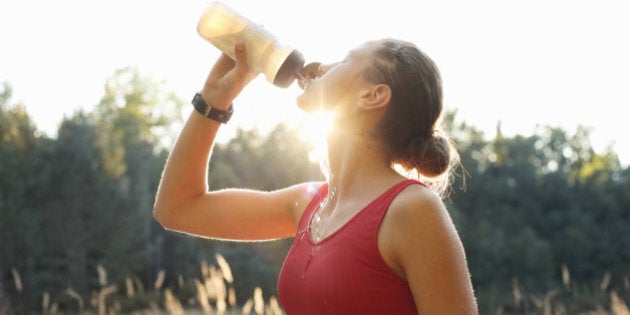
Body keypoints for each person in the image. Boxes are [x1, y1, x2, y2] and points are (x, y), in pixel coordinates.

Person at [154, 38, 478, 314]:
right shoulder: (309, 204)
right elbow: (177, 209)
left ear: (372, 96)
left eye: (346, 60)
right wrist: (213, 99)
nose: (321, 65)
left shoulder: (411, 210)